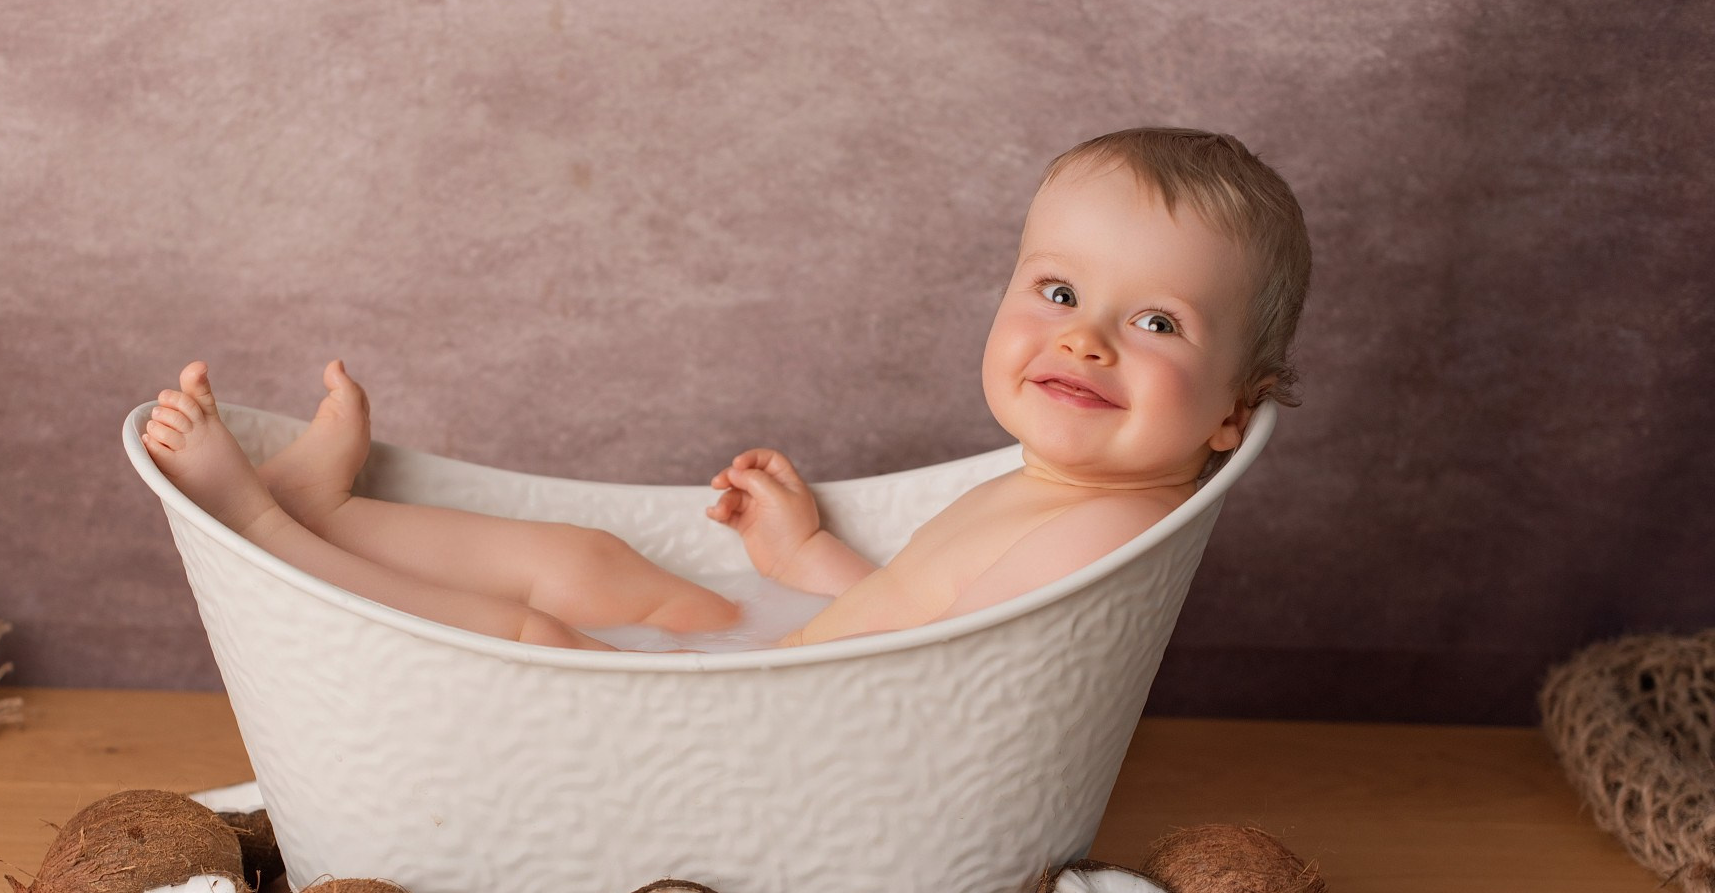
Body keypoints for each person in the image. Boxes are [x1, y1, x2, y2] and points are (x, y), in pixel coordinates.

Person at [141, 126, 1310, 651]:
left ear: (1227, 411)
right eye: (1055, 291)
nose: (1088, 338)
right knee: (592, 560)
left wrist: (804, 615)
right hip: (789, 660)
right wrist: (806, 562)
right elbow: (921, 607)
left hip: (788, 721)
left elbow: (953, 672)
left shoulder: (1110, 521)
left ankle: (255, 522)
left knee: (529, 632)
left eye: (1154, 320)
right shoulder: (1049, 485)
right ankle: (332, 511)